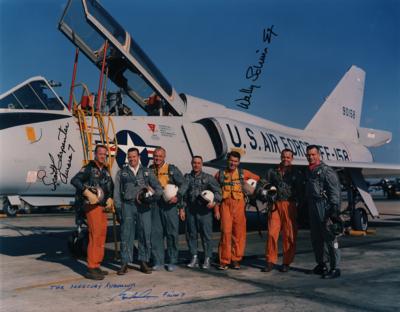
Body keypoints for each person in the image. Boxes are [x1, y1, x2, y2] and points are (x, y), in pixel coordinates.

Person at [114, 148, 162, 275]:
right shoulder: (121, 173)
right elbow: (117, 193)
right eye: (129, 157)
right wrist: (118, 209)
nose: (132, 159)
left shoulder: (147, 172)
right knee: (126, 234)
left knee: (145, 234)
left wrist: (151, 199)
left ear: (138, 156)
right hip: (128, 206)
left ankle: (143, 261)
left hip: (143, 207)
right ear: (127, 158)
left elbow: (159, 189)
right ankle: (125, 262)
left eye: (134, 156)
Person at [71, 145, 114, 280]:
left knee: (101, 235)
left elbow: (110, 186)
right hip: (91, 205)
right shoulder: (89, 168)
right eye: (100, 153)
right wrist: (86, 192)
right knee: (95, 235)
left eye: (104, 154)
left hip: (102, 206)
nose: (102, 156)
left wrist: (110, 198)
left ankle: (96, 265)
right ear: (95, 154)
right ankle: (91, 267)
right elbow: (75, 180)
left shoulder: (106, 170)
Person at [215, 150, 260, 270]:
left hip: (239, 205)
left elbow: (257, 178)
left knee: (238, 233)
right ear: (227, 160)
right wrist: (216, 210)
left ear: (238, 162)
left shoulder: (243, 173)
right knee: (225, 232)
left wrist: (248, 187)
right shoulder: (219, 174)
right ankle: (224, 260)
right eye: (231, 160)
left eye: (235, 161)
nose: (233, 163)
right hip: (225, 205)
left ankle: (236, 259)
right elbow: (215, 193)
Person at [263, 149, 304, 273]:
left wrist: (298, 205)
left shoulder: (297, 173)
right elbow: (263, 184)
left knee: (289, 235)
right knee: (271, 233)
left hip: (289, 205)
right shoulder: (272, 171)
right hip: (275, 205)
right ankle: (270, 261)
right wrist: (267, 194)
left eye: (288, 157)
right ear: (280, 157)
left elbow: (301, 190)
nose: (286, 159)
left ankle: (286, 262)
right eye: (284, 157)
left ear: (292, 158)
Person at [305, 145, 342, 279]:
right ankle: (322, 264)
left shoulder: (327, 171)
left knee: (331, 238)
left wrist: (334, 211)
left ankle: (335, 267)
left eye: (313, 154)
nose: (311, 157)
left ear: (319, 155)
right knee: (316, 238)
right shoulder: (309, 171)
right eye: (308, 155)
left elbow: (335, 192)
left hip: (325, 207)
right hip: (313, 206)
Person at [182, 156, 222, 269]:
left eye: (198, 163)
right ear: (191, 163)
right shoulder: (187, 178)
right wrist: (182, 208)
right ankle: (194, 257)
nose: (196, 165)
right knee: (191, 235)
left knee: (206, 236)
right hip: (191, 210)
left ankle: (207, 258)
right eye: (194, 163)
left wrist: (214, 202)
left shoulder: (208, 178)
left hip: (204, 212)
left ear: (202, 164)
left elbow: (218, 191)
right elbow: (183, 195)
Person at [150, 147, 185, 272]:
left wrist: (178, 197)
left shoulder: (172, 169)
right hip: (155, 206)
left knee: (172, 233)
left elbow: (184, 184)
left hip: (170, 205)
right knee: (156, 234)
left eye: (160, 156)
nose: (157, 158)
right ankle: (158, 261)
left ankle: (172, 261)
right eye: (155, 156)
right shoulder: (150, 170)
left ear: (164, 157)